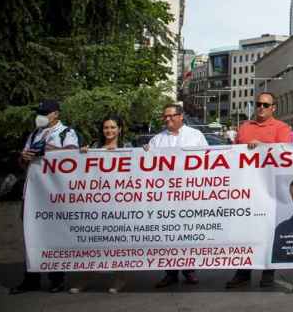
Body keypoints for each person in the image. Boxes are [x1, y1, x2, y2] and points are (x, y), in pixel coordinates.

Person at [226, 92, 293, 290]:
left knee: (267, 232)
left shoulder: (282, 128)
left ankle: (268, 272)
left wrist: (263, 146)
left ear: (274, 107)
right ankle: (243, 272)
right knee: (245, 231)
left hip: (269, 189)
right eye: (258, 104)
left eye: (266, 105)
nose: (261, 108)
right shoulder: (245, 127)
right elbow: (232, 155)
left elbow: (285, 153)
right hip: (246, 189)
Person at [10, 100, 79, 295]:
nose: (41, 116)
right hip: (33, 194)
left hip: (55, 194)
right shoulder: (34, 133)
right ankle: (31, 278)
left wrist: (46, 151)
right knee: (31, 234)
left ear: (56, 114)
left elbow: (73, 157)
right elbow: (24, 163)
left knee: (55, 234)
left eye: (45, 112)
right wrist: (24, 158)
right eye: (39, 112)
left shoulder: (67, 133)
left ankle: (56, 278)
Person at [145, 104, 207, 289]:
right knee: (169, 234)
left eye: (171, 116)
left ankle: (189, 270)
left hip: (189, 194)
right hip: (166, 196)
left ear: (181, 117)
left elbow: (207, 161)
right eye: (164, 117)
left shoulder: (196, 136)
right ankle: (170, 273)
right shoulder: (157, 140)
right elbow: (149, 164)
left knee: (187, 233)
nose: (167, 119)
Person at [70, 115, 131, 294]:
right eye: (106, 127)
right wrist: (80, 155)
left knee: (119, 243)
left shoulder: (128, 148)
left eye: (113, 127)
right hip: (97, 204)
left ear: (120, 129)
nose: (109, 131)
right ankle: (87, 276)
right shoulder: (95, 148)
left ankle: (120, 278)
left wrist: (145, 151)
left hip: (121, 204)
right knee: (93, 242)